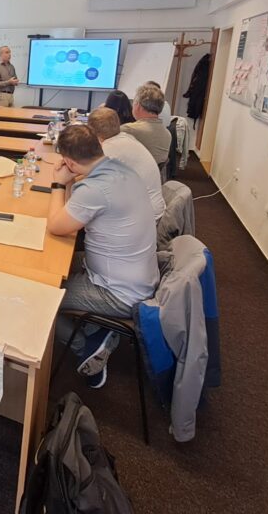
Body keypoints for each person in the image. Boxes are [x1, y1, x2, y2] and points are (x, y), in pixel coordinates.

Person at [46, 125, 158, 388]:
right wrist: (72, 181)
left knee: (43, 294)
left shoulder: (95, 189)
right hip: (137, 277)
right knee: (59, 265)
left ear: (69, 162)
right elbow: (73, 212)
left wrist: (58, 184)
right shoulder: (121, 170)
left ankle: (85, 348)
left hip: (118, 293)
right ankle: (98, 329)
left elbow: (56, 226)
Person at [86, 108, 165, 221]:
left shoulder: (110, 148)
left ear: (91, 131)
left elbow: (89, 178)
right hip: (150, 207)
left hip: (144, 218)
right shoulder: (125, 137)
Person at [122, 83, 172, 165]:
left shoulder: (128, 130)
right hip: (154, 173)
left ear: (138, 105)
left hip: (131, 172)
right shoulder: (167, 134)